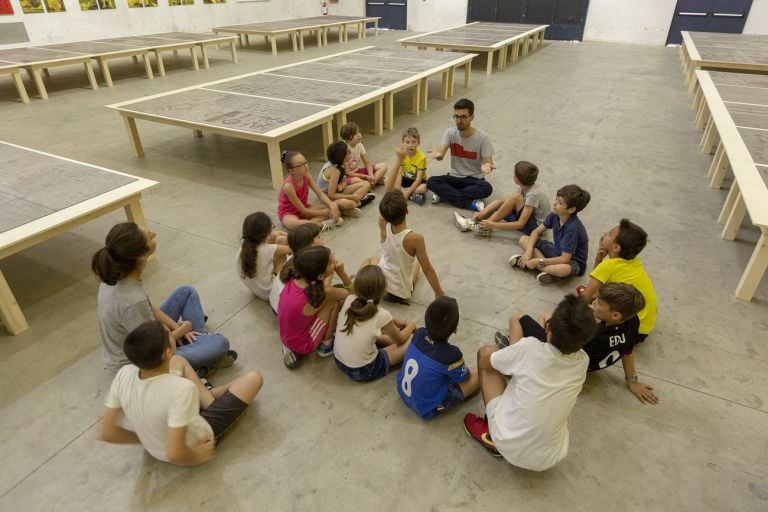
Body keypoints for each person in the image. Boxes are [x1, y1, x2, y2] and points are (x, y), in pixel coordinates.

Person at [99, 320, 263, 466]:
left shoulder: (124, 373)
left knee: (179, 362)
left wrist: (144, 439)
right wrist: (197, 456)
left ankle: (208, 395)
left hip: (155, 447)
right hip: (195, 441)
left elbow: (107, 432)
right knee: (253, 379)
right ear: (167, 352)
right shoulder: (181, 389)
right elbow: (174, 453)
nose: (172, 334)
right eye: (169, 334)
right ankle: (211, 401)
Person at [463, 295, 596, 470]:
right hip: (551, 457)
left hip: (508, 443)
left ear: (548, 327)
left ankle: (490, 432)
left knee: (486, 352)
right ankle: (512, 362)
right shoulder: (583, 361)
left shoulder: (529, 348)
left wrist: (514, 351)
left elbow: (485, 363)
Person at [92, 222, 234, 374]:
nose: (154, 234)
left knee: (186, 292)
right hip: (141, 363)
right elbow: (153, 348)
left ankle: (197, 344)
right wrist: (182, 330)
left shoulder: (115, 275)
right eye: (149, 236)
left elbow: (149, 306)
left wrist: (176, 327)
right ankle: (197, 357)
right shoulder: (132, 301)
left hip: (143, 337)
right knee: (220, 343)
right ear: (142, 255)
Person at [496, 284, 658, 405]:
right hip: (585, 367)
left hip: (563, 363)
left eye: (599, 302)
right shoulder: (632, 321)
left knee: (521, 317)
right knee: (547, 318)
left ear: (615, 315)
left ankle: (516, 359)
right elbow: (627, 351)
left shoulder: (593, 334)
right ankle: (524, 343)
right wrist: (632, 381)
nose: (594, 302)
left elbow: (561, 346)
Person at [397, 296, 479, 419]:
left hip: (402, 391)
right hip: (425, 407)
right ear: (455, 329)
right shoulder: (452, 354)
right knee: (480, 373)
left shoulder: (418, 333)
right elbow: (464, 378)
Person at [333, 265, 416, 382]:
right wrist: (411, 325)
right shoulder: (382, 315)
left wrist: (392, 320)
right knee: (413, 339)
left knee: (371, 332)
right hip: (363, 370)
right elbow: (401, 340)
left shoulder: (350, 298)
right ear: (383, 292)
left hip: (338, 360)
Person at [577, 219, 657, 338]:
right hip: (643, 326)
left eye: (609, 234)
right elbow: (600, 286)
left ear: (615, 247)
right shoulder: (634, 261)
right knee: (593, 295)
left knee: (582, 298)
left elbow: (586, 297)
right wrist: (599, 259)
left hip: (626, 331)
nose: (604, 234)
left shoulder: (609, 266)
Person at [361, 191, 444, 305]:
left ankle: (360, 286)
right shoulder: (415, 239)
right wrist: (439, 293)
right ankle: (407, 290)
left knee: (371, 260)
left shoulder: (383, 224)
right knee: (417, 264)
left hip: (380, 287)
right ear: (407, 210)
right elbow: (428, 270)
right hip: (397, 295)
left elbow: (386, 201)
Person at [277, 246, 352, 369]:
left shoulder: (295, 278)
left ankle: (292, 348)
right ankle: (326, 345)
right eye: (330, 262)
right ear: (320, 276)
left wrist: (329, 272)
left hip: (286, 335)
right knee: (334, 303)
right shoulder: (325, 292)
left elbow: (321, 288)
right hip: (304, 343)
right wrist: (342, 273)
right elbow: (352, 294)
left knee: (329, 298)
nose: (334, 261)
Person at [509, 184, 590, 285]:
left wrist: (538, 261)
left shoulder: (572, 228)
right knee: (524, 240)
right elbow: (536, 232)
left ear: (571, 209)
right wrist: (528, 252)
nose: (555, 204)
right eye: (556, 200)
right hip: (556, 251)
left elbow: (565, 259)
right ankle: (546, 271)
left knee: (562, 269)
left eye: (560, 203)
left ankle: (531, 265)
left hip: (572, 262)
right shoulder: (555, 215)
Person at [426, 98, 495, 212]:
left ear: (472, 117)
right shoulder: (450, 133)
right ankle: (468, 203)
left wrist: (487, 166)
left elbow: (488, 162)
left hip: (474, 179)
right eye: (456, 116)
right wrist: (438, 155)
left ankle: (445, 196)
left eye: (463, 117)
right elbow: (441, 154)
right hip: (454, 177)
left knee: (487, 188)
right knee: (431, 181)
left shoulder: (483, 138)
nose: (459, 120)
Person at [454, 160, 548, 237]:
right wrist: (483, 214)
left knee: (513, 198)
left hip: (535, 228)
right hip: (527, 217)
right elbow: (505, 202)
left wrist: (493, 224)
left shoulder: (533, 195)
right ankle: (475, 219)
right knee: (504, 201)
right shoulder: (524, 186)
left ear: (517, 180)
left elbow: (521, 224)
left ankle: (484, 227)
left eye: (514, 174)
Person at [277, 150, 341, 231]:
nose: (306, 166)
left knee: (335, 205)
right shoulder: (288, 186)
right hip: (289, 214)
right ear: (291, 171)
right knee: (293, 223)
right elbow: (304, 211)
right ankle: (322, 224)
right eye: (301, 165)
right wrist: (325, 212)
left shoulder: (307, 175)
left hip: (306, 208)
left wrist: (331, 205)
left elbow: (320, 194)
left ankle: (310, 224)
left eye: (305, 162)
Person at [269, 223, 322, 314]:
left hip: (275, 304)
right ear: (310, 245)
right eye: (318, 237)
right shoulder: (312, 264)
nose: (322, 239)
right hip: (286, 311)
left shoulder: (294, 257)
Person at [237, 212, 291, 302]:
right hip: (269, 291)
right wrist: (288, 236)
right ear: (267, 233)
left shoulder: (245, 245)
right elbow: (292, 248)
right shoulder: (269, 249)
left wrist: (274, 235)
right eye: (272, 228)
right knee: (283, 243)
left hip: (257, 290)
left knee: (278, 238)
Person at [317, 141, 375, 218]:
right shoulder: (334, 171)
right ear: (343, 157)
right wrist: (353, 197)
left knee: (366, 184)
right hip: (326, 197)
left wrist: (365, 176)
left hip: (337, 191)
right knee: (347, 203)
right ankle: (358, 203)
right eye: (348, 151)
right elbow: (331, 195)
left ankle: (350, 207)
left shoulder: (340, 163)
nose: (350, 151)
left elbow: (345, 176)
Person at [340, 121, 388, 186]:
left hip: (358, 172)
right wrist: (364, 176)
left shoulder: (359, 145)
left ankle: (372, 182)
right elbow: (347, 173)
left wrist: (371, 175)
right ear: (348, 138)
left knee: (384, 166)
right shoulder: (344, 148)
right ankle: (371, 182)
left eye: (359, 132)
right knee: (357, 181)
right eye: (356, 134)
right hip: (349, 176)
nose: (359, 135)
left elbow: (367, 164)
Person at [389, 127, 428, 205]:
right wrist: (400, 188)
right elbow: (399, 174)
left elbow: (418, 179)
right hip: (405, 179)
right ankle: (412, 196)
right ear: (403, 143)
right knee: (390, 182)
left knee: (425, 187)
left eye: (413, 142)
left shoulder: (422, 157)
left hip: (417, 181)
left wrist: (406, 192)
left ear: (418, 142)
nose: (410, 145)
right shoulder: (402, 154)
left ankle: (405, 193)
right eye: (407, 142)